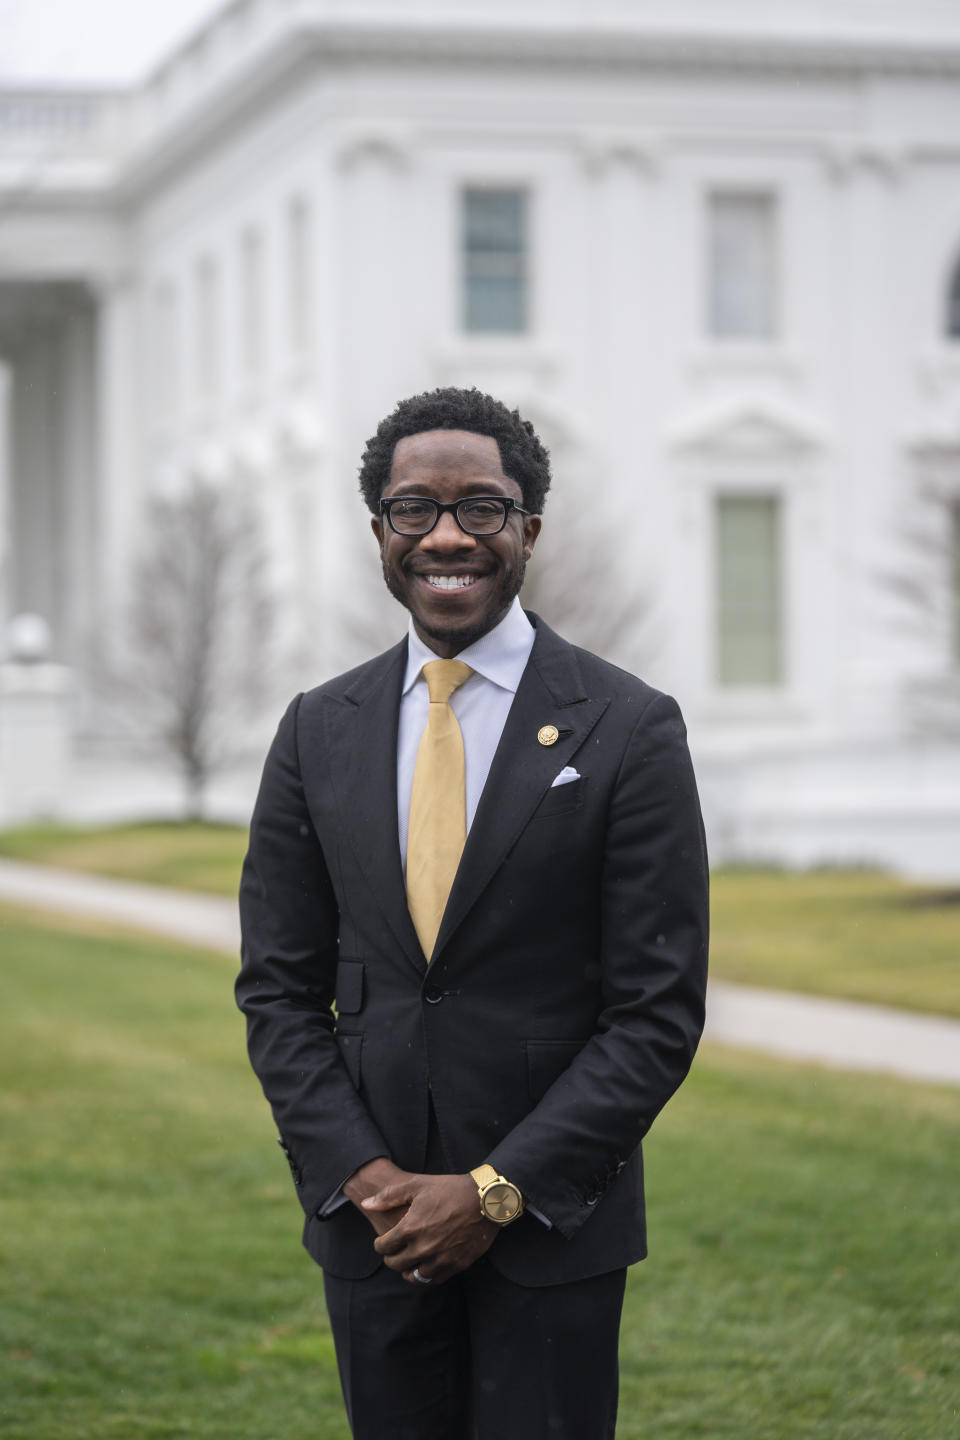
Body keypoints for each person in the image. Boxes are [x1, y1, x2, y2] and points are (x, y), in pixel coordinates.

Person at [236, 386, 709, 1440]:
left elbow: (656, 1013)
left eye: (482, 508)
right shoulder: (318, 730)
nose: (447, 534)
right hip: (375, 1227)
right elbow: (277, 990)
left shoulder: (629, 728)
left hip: (551, 1234)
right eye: (414, 510)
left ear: (529, 528)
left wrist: (495, 1193)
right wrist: (366, 1181)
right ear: (380, 534)